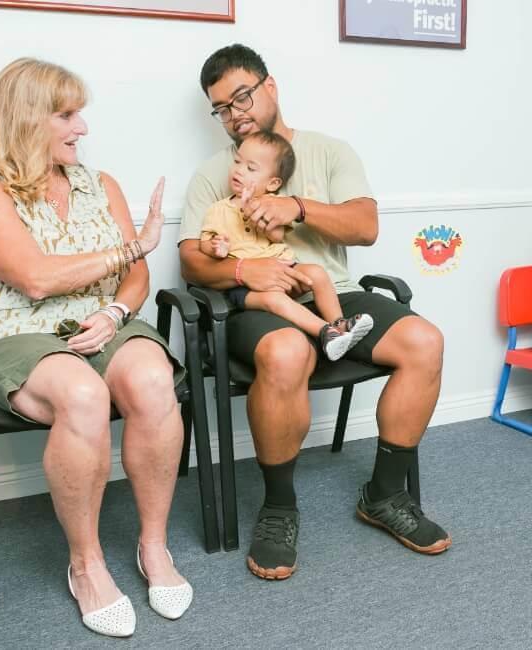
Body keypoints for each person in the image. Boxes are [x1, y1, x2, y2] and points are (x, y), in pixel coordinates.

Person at [179, 44, 451, 581]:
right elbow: (191, 259)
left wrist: (296, 208)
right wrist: (241, 272)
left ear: (270, 86)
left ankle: (384, 494)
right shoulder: (217, 174)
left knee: (426, 341)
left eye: (242, 97)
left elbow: (366, 227)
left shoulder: (330, 151)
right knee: (285, 351)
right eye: (222, 108)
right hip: (259, 302)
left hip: (335, 293)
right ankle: (279, 507)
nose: (235, 114)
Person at [0, 58, 192, 637]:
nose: (81, 127)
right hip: (17, 330)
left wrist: (115, 310)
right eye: (66, 114)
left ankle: (154, 548)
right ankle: (86, 565)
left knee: (153, 379)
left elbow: (135, 278)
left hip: (102, 322)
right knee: (85, 395)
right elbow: (36, 278)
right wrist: (131, 249)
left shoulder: (101, 184)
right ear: (25, 118)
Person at [199, 129, 374, 362]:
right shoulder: (219, 209)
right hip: (245, 287)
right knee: (274, 300)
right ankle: (325, 333)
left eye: (250, 168)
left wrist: (253, 210)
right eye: (238, 162)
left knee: (317, 274)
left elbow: (276, 235)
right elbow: (204, 241)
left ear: (272, 183)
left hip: (285, 268)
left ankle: (340, 325)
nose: (239, 170)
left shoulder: (273, 205)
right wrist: (214, 247)